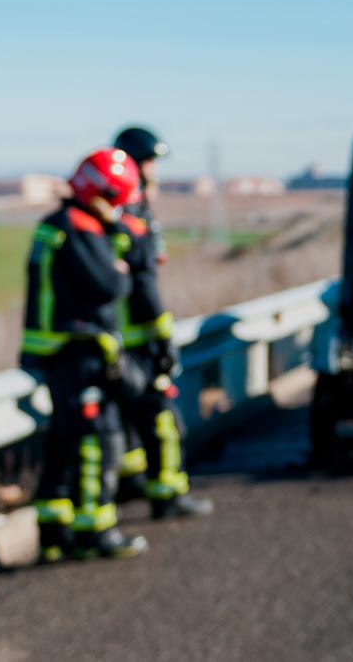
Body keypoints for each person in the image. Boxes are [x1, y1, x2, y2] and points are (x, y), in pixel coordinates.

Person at [22, 149, 151, 562]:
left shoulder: (55, 225)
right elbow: (110, 286)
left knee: (62, 441)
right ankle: (95, 530)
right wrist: (122, 257)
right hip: (77, 352)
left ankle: (54, 530)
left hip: (54, 350)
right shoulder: (79, 228)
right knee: (97, 441)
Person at [110, 126, 213, 520]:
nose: (155, 171)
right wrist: (161, 334)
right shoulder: (131, 215)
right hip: (136, 338)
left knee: (134, 424)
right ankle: (166, 494)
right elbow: (144, 281)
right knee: (160, 418)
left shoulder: (121, 209)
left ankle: (138, 484)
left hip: (120, 338)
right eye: (150, 162)